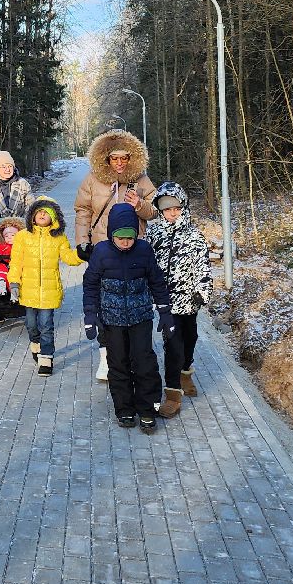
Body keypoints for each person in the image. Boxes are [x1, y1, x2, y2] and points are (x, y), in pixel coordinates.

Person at [74, 129, 159, 382]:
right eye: (114, 158)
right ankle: (106, 358)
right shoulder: (92, 179)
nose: (120, 163)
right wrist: (82, 241)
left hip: (135, 251)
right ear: (106, 159)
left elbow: (155, 212)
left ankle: (133, 356)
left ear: (132, 159)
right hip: (103, 252)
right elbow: (82, 210)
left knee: (133, 303)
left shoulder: (141, 180)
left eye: (124, 158)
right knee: (104, 305)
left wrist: (139, 205)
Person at [82, 202, 172, 432]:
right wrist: (90, 317)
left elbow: (157, 282)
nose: (125, 242)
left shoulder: (144, 251)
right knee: (118, 365)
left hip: (140, 317)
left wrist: (165, 311)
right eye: (120, 237)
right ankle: (124, 410)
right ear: (112, 234)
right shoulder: (101, 252)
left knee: (145, 364)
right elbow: (90, 285)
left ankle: (148, 409)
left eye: (129, 237)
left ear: (136, 235)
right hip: (112, 321)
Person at [145, 182, 212, 415]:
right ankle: (172, 393)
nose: (172, 213)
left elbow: (203, 266)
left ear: (183, 207)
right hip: (166, 301)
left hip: (190, 299)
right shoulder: (153, 234)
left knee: (190, 338)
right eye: (166, 209)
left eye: (176, 208)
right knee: (173, 345)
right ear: (160, 210)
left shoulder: (194, 236)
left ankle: (185, 372)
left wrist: (203, 290)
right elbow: (147, 263)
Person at [6, 197, 81, 376]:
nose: (42, 214)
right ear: (32, 215)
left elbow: (69, 257)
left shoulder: (58, 237)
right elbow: (15, 262)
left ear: (54, 218)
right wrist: (14, 282)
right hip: (28, 289)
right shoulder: (22, 236)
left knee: (46, 325)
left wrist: (81, 254)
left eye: (47, 212)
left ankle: (46, 358)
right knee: (31, 324)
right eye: (39, 211)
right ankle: (36, 343)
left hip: (49, 290)